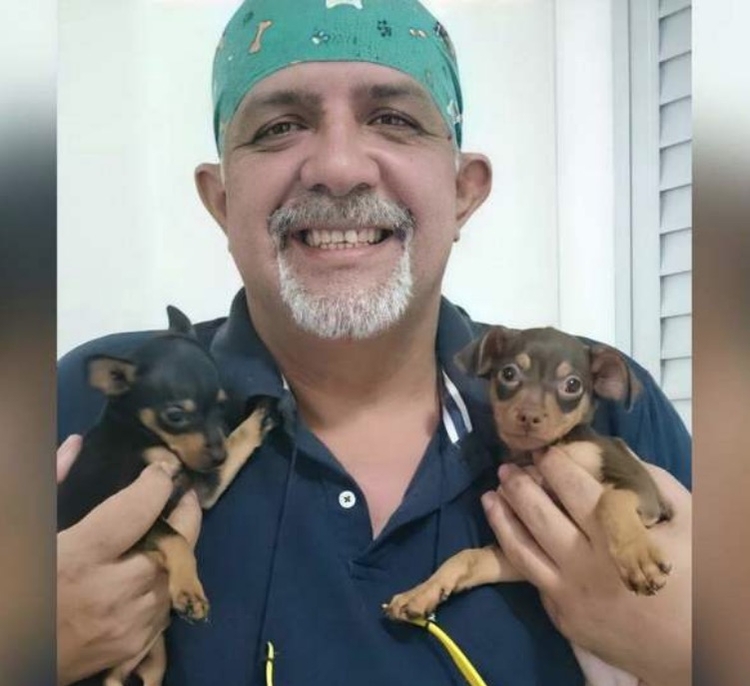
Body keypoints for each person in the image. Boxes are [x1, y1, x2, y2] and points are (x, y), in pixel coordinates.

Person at [57, 1, 692, 685]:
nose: (338, 167)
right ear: (221, 201)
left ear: (464, 192)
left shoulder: (611, 408)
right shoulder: (89, 401)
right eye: (279, 127)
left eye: (393, 119)